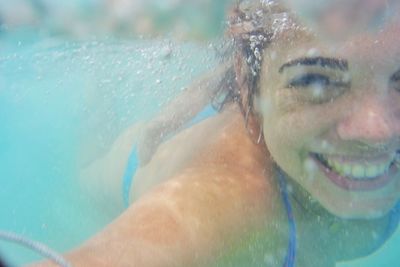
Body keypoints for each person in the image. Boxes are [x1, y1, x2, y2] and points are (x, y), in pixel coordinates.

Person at [33, 0, 400, 266]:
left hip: (232, 104)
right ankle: (95, 95)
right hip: (139, 162)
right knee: (87, 170)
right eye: (315, 79)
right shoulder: (231, 201)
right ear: (248, 84)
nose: (378, 131)